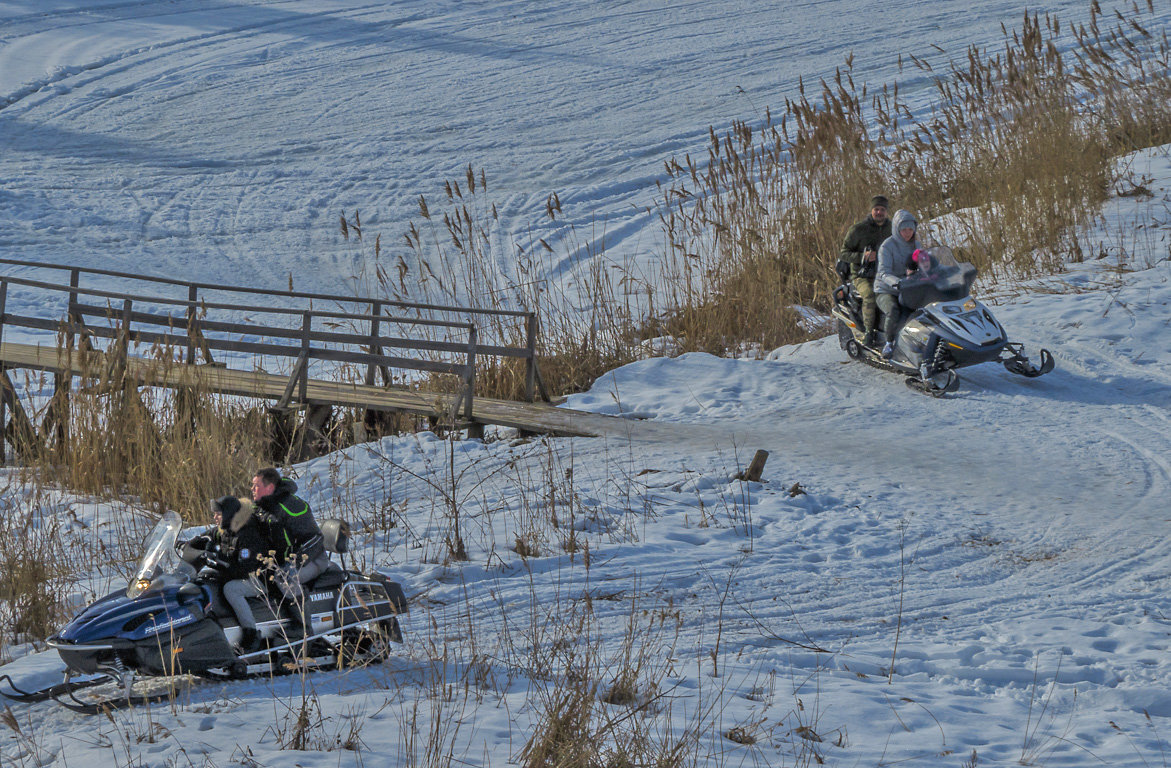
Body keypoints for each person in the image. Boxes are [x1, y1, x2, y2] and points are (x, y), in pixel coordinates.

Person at [192, 496, 272, 653]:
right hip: (243, 573)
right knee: (206, 578)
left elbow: (243, 569)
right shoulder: (228, 527)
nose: (215, 517)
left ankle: (251, 633)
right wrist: (192, 543)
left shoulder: (247, 534)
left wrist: (218, 559)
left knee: (231, 589)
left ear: (228, 514)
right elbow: (211, 534)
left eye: (218, 514)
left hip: (259, 578)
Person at [250, 468, 329, 624]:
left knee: (285, 579)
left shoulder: (292, 506)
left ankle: (304, 627)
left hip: (312, 559)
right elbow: (241, 521)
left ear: (270, 488)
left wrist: (295, 562)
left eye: (256, 486)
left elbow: (315, 538)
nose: (252, 489)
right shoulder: (261, 506)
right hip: (283, 561)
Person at [838, 195, 892, 346]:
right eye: (876, 209)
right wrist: (863, 257)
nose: (879, 213)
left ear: (887, 211)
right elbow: (843, 253)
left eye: (882, 209)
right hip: (863, 275)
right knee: (870, 295)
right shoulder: (858, 229)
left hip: (887, 273)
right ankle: (869, 333)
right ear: (871, 210)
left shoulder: (892, 228)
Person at [875, 209, 922, 358]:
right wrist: (897, 283)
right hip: (886, 288)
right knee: (894, 310)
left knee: (924, 310)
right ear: (897, 229)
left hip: (909, 287)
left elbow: (925, 264)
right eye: (904, 229)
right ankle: (889, 343)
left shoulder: (916, 245)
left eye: (910, 229)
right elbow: (883, 273)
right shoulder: (887, 246)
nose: (907, 233)